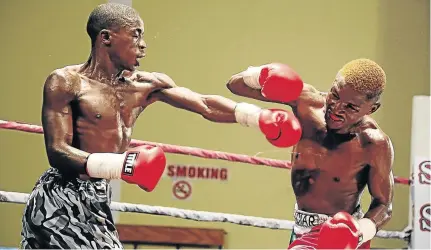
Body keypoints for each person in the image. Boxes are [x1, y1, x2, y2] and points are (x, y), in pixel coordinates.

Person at [20, 3, 303, 249]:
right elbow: (57, 151)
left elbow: (204, 104)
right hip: (59, 197)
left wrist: (257, 117)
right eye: (136, 34)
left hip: (97, 196)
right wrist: (124, 167)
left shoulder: (146, 85)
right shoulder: (66, 82)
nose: (143, 44)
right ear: (106, 37)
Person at [226, 59, 394, 249]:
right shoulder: (306, 102)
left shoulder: (374, 143)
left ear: (372, 109)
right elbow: (234, 85)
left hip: (342, 236)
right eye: (335, 95)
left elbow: (384, 205)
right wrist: (259, 75)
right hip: (300, 228)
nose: (337, 108)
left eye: (350, 107)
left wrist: (359, 232)